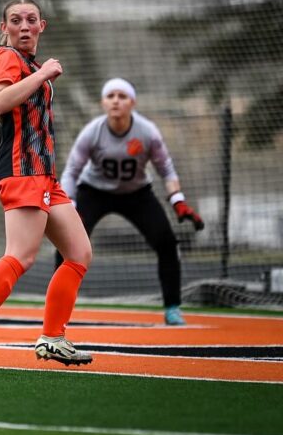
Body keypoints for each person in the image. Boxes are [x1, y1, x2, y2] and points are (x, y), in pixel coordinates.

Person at [0, 0, 93, 370]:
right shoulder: (7, 57)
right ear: (4, 28)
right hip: (21, 170)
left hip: (43, 174)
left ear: (43, 26)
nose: (23, 26)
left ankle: (53, 338)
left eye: (30, 20)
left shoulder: (30, 62)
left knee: (78, 253)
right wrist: (43, 76)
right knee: (21, 255)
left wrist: (39, 72)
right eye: (15, 20)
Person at [56, 78, 204, 326]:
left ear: (132, 102)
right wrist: (69, 205)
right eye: (110, 95)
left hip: (137, 193)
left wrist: (178, 200)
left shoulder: (148, 132)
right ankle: (59, 304)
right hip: (93, 191)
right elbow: (72, 170)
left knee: (167, 242)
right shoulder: (93, 132)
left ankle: (172, 308)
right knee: (66, 244)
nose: (116, 100)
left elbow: (166, 168)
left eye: (122, 96)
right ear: (103, 102)